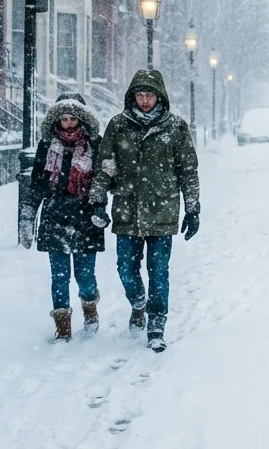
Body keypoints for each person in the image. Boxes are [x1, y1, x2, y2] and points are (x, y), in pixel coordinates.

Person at [91, 69, 199, 352]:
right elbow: (105, 167)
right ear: (132, 96)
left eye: (149, 95)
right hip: (127, 209)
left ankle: (156, 323)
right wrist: (98, 201)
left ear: (159, 96)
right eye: (140, 95)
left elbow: (188, 170)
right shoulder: (118, 125)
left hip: (162, 211)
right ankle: (138, 301)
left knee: (159, 270)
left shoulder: (175, 127)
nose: (145, 100)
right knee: (125, 268)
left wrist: (193, 207)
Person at [19, 93, 108, 342]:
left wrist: (100, 207)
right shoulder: (47, 146)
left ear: (82, 119)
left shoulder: (95, 145)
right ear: (56, 120)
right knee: (59, 276)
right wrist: (27, 217)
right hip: (54, 216)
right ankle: (63, 328)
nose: (68, 123)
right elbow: (37, 184)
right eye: (64, 118)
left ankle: (90, 308)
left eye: (73, 118)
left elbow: (102, 182)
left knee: (85, 276)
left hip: (86, 218)